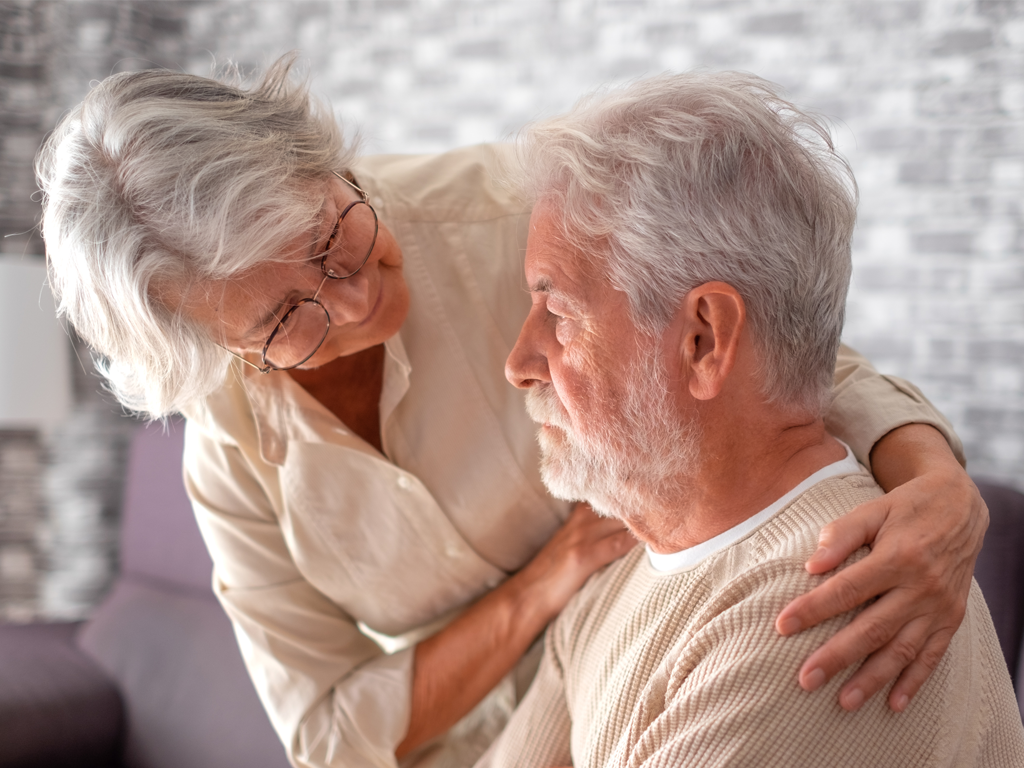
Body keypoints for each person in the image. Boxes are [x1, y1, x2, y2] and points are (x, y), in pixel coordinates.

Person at [35, 57, 986, 768]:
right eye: (288, 317)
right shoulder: (231, 452)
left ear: (324, 160)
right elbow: (328, 733)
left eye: (335, 236)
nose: (357, 301)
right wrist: (546, 584)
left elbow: (762, 345)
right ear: (222, 355)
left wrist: (936, 483)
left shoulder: (513, 215)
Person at [481, 71, 1024, 768]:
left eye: (557, 315)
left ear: (703, 339)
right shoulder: (623, 577)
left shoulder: (830, 606)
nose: (519, 361)